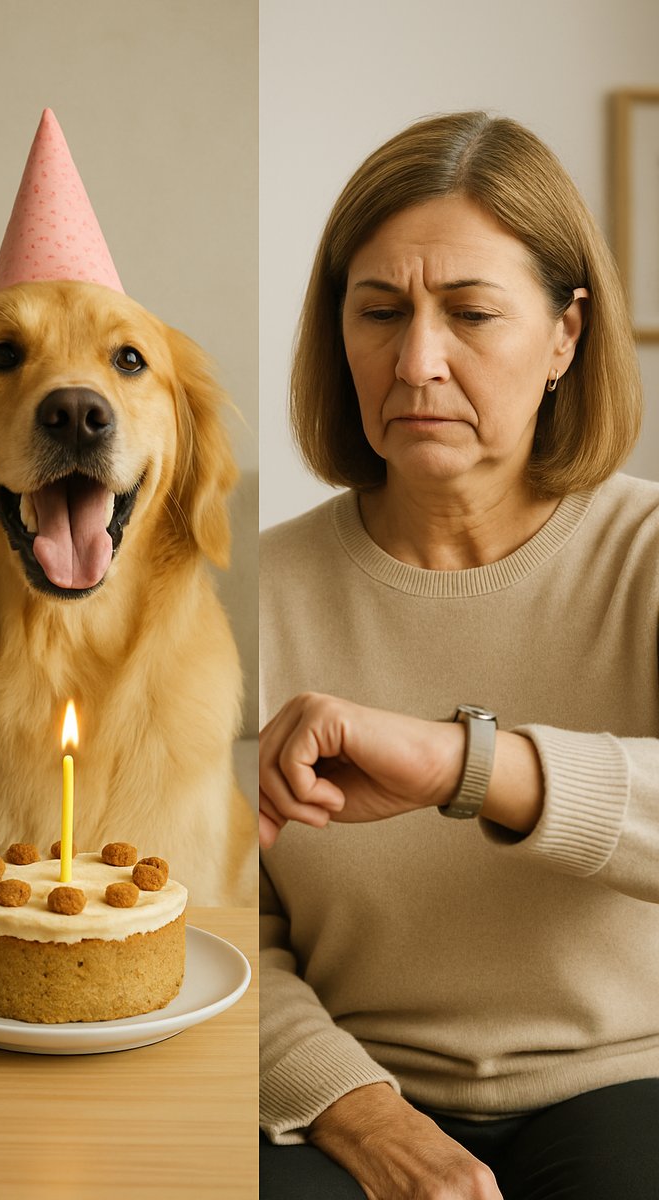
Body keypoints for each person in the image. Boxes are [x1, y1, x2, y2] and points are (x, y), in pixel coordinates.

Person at [259, 111, 659, 1200]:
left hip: (626, 1081)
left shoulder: (646, 554)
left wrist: (464, 766)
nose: (416, 361)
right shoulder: (246, 595)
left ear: (565, 337)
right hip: (342, 1078)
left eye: (471, 314)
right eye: (377, 311)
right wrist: (358, 1109)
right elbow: (215, 926)